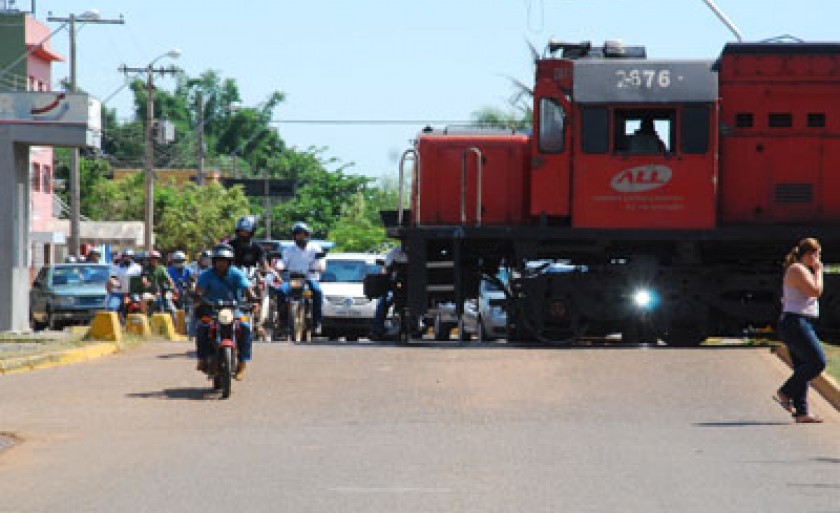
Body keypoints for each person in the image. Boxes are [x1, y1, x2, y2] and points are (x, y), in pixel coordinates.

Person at [774, 237, 826, 424]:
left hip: (800, 322)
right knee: (817, 362)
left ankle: (802, 412)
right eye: (815, 254)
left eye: (819, 254)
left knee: (802, 367)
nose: (818, 258)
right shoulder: (797, 269)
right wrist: (819, 272)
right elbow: (815, 291)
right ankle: (785, 392)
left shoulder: (802, 270)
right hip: (796, 323)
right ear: (806, 254)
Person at [194, 243, 256, 380]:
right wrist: (198, 297)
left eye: (225, 261)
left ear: (230, 262)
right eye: (219, 260)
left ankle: (242, 363)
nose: (221, 264)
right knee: (202, 328)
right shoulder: (206, 275)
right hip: (212, 310)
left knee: (245, 327)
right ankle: (202, 359)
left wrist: (252, 298)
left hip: (235, 310)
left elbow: (247, 288)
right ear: (214, 261)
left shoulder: (237, 273)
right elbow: (200, 291)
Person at [273, 222, 326, 334]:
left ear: (308, 235)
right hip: (294, 280)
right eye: (298, 235)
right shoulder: (288, 250)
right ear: (294, 236)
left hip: (309, 280)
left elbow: (321, 263)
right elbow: (282, 262)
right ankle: (283, 322)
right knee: (281, 291)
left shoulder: (315, 248)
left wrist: (319, 267)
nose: (301, 237)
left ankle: (317, 323)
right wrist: (279, 267)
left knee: (317, 291)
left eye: (303, 234)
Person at [369, 246, 407, 340]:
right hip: (397, 287)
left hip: (407, 287)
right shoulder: (395, 251)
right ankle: (377, 330)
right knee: (384, 301)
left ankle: (377, 330)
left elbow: (385, 268)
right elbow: (385, 269)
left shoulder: (396, 251)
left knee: (384, 301)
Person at [108, 249, 142, 313]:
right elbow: (112, 279)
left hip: (132, 292)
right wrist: (117, 284)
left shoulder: (138, 267)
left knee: (139, 305)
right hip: (118, 293)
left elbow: (142, 279)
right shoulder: (116, 267)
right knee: (112, 307)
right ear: (123, 257)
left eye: (130, 257)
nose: (128, 258)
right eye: (126, 256)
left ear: (132, 257)